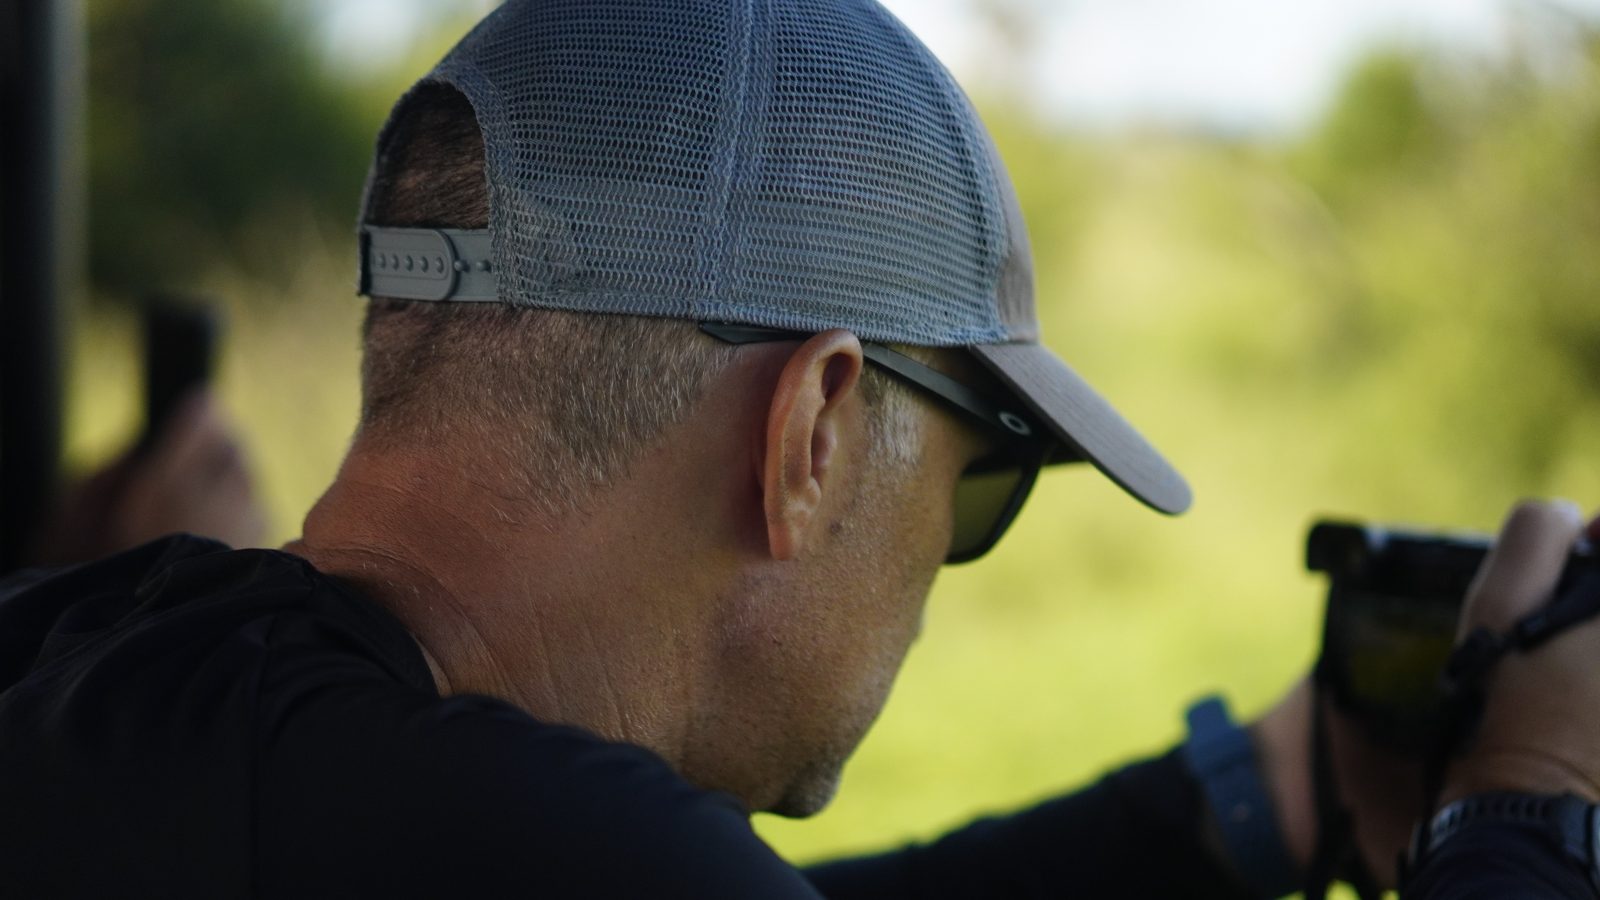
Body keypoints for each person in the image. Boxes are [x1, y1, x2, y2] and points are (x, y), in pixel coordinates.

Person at [2, 1, 1598, 896]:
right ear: (813, 430)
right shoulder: (562, 856)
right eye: (980, 482)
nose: (945, 565)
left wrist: (1254, 793)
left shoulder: (81, 657)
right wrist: (1532, 806)